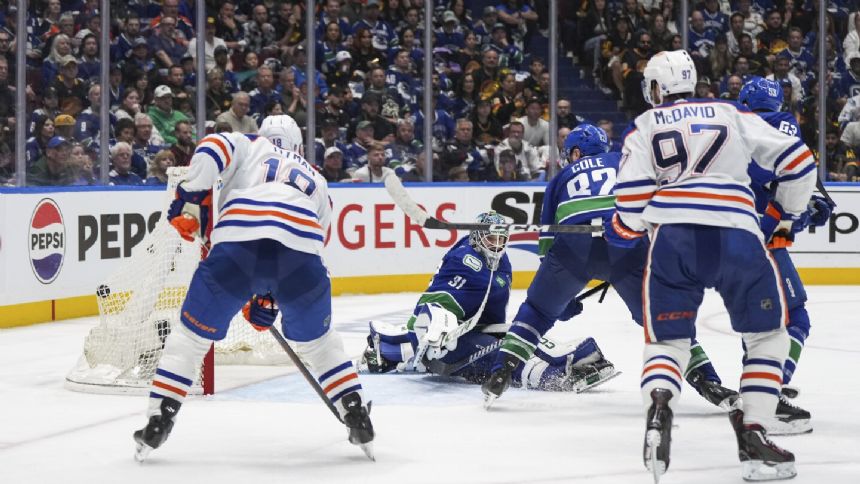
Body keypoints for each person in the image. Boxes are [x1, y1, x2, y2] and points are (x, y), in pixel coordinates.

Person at [606, 50, 814, 482]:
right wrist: (784, 217)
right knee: (769, 336)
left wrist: (628, 228)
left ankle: (660, 410)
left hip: (673, 240)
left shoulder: (644, 126)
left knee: (668, 342)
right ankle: (754, 433)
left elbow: (628, 202)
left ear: (657, 88)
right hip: (738, 234)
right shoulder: (730, 111)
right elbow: (798, 162)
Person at [133, 115, 374, 461]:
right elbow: (310, 244)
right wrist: (270, 296)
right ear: (298, 146)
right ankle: (355, 411)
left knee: (190, 339)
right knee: (320, 345)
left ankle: (160, 419)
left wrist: (189, 192)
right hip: (300, 259)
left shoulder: (248, 145)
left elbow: (212, 146)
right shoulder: (318, 180)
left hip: (237, 247)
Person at [357, 210, 613, 393]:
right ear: (478, 237)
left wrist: (557, 303)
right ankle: (550, 375)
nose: (498, 245)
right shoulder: (465, 258)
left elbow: (509, 313)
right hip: (452, 343)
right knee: (499, 354)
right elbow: (435, 302)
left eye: (502, 239)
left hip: (478, 330)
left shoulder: (502, 263)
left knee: (518, 338)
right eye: (492, 239)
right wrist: (440, 329)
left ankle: (563, 360)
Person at [481, 124, 642, 407]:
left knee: (537, 311)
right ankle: (706, 378)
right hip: (624, 243)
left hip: (573, 247)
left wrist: (558, 295)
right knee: (662, 317)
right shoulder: (623, 160)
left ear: (576, 153)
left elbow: (546, 239)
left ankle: (501, 371)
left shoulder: (561, 178)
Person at [737, 76, 836, 434]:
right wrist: (811, 206)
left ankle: (756, 382)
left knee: (758, 322)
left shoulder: (729, 128)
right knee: (795, 318)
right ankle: (769, 393)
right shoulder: (780, 124)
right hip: (760, 242)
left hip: (721, 239)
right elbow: (792, 170)